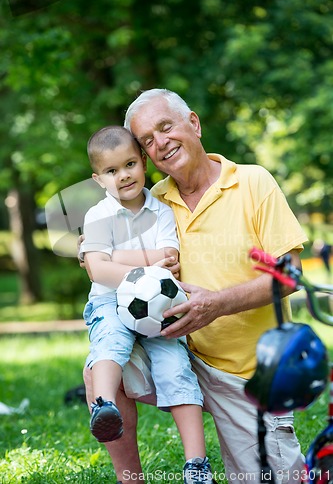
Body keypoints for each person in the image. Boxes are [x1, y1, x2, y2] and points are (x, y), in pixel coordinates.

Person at [82, 89, 308, 484]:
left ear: (195, 123)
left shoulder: (253, 182)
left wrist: (217, 304)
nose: (161, 143)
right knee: (102, 366)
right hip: (172, 347)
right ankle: (129, 478)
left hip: (243, 374)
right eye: (148, 141)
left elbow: (290, 273)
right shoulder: (152, 200)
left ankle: (203, 464)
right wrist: (90, 251)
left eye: (166, 127)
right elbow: (102, 241)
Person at [80, 125, 215, 483]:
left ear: (143, 162)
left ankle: (196, 464)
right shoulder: (97, 216)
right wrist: (146, 262)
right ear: (98, 179)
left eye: (129, 164)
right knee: (110, 342)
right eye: (111, 171)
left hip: (158, 306)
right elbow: (97, 270)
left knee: (176, 366)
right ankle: (104, 406)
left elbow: (171, 259)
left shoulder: (161, 211)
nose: (123, 176)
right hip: (110, 303)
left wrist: (118, 257)